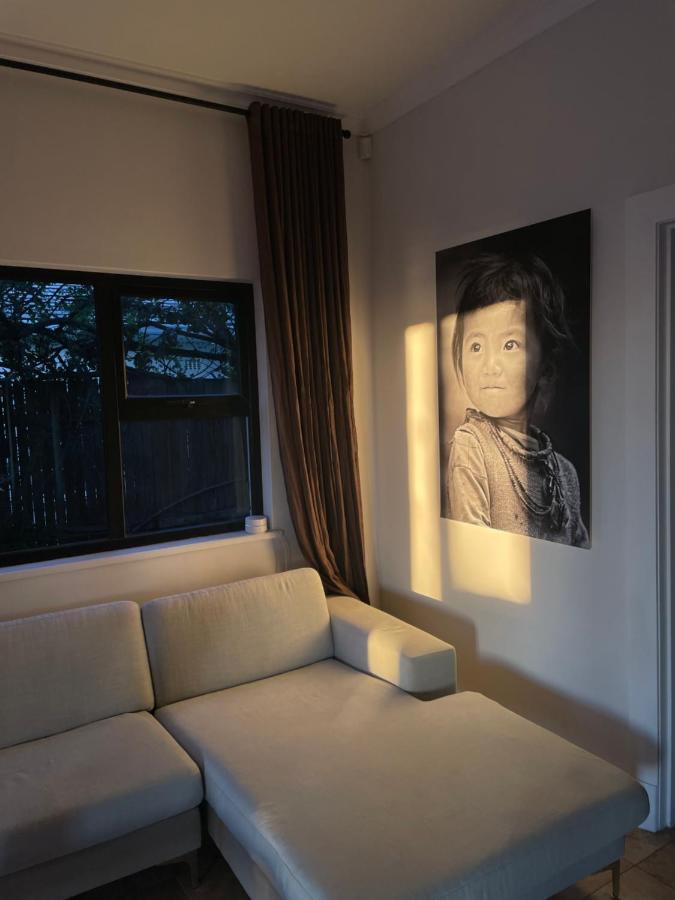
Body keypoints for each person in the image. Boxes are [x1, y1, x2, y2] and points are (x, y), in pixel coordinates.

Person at [445, 252, 589, 548]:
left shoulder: (565, 473)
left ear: (545, 368)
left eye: (509, 344)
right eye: (476, 346)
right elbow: (474, 549)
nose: (490, 366)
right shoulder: (472, 445)